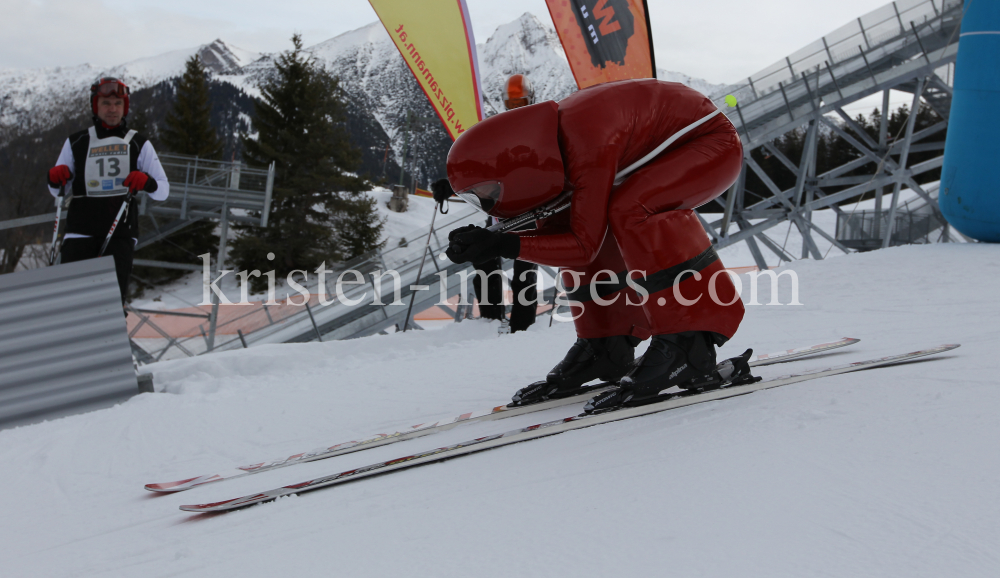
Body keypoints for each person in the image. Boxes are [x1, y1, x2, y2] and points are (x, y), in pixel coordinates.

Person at [444, 79, 753, 414]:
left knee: (633, 208)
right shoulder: (552, 144)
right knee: (569, 217)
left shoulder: (584, 142)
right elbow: (566, 229)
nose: (491, 205)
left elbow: (583, 246)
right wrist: (497, 240)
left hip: (711, 143)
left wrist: (502, 243)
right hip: (671, 147)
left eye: (488, 194)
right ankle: (607, 342)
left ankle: (689, 342)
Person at [46, 77, 169, 305]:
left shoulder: (138, 143)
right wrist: (54, 179)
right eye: (105, 103)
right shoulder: (77, 142)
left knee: (109, 305)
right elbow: (58, 192)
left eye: (118, 104)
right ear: (96, 106)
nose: (112, 109)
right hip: (79, 232)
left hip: (119, 233)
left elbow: (163, 191)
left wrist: (147, 182)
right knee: (70, 302)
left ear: (125, 107)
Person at [431, 73, 539, 332]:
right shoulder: (498, 131)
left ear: (531, 100)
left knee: (524, 273)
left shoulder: (540, 130)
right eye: (512, 105)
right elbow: (479, 167)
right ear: (504, 104)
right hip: (501, 211)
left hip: (531, 213)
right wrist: (451, 184)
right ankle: (491, 323)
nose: (517, 109)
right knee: (485, 261)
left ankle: (522, 329)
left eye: (521, 103)